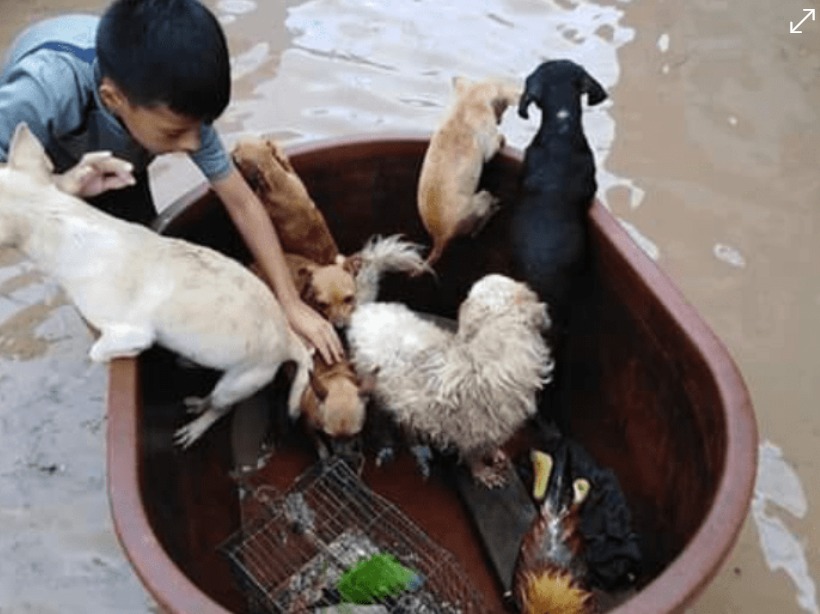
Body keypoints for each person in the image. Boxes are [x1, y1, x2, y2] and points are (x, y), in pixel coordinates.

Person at [0, 0, 343, 364]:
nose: (193, 144)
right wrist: (63, 185)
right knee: (92, 284)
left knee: (142, 254)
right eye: (177, 132)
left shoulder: (178, 110)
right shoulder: (46, 90)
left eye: (200, 127)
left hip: (118, 164)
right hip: (45, 162)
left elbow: (242, 202)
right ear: (113, 100)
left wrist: (288, 301)